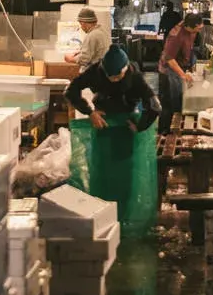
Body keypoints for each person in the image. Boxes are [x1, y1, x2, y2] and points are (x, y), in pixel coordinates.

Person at [63, 46, 162, 234]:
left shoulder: (135, 76)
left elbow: (155, 106)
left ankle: (122, 219)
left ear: (125, 69)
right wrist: (90, 112)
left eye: (118, 77)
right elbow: (70, 91)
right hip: (103, 127)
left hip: (126, 129)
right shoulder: (95, 71)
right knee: (102, 171)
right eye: (111, 77)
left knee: (125, 175)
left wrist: (140, 126)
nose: (114, 80)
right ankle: (102, 218)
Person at [158, 13, 203, 134]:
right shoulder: (175, 35)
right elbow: (169, 58)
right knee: (169, 104)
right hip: (168, 71)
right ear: (190, 27)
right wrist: (183, 75)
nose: (201, 28)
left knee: (179, 101)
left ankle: (175, 130)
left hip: (180, 66)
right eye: (199, 27)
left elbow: (190, 47)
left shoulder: (190, 29)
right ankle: (164, 133)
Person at [64, 7, 110, 74]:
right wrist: (80, 52)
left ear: (83, 23)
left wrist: (69, 58)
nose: (81, 27)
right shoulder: (103, 32)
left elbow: (84, 59)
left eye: (80, 24)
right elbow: (95, 52)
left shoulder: (92, 35)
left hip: (94, 76)